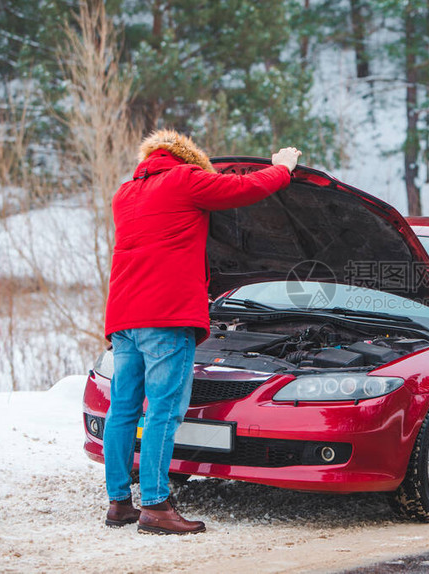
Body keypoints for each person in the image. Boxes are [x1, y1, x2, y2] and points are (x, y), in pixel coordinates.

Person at [102, 129, 301, 534]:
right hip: (166, 316)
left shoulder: (125, 194)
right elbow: (243, 189)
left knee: (122, 411)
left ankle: (119, 503)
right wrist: (281, 169)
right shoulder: (184, 180)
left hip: (124, 319)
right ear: (188, 158)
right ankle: (156, 506)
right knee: (163, 410)